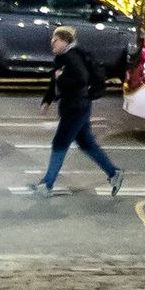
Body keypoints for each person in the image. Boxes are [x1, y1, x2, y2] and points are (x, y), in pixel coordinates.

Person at [38, 25, 122, 195]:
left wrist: (62, 78)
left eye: (55, 40)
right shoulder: (62, 58)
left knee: (60, 143)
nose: (52, 43)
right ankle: (114, 174)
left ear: (65, 41)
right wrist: (47, 100)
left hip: (76, 107)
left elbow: (81, 79)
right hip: (77, 106)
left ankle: (47, 184)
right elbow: (54, 82)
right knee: (86, 143)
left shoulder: (72, 57)